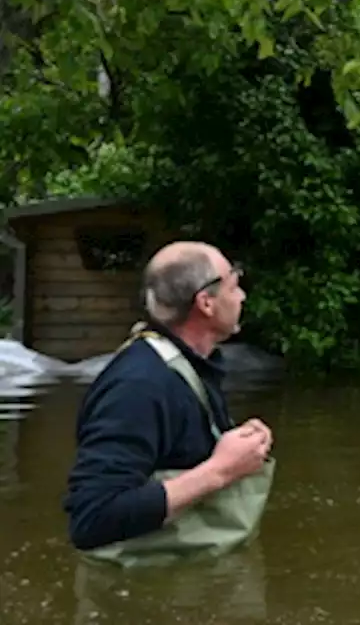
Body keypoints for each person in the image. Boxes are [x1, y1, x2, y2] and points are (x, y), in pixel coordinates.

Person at [63, 241, 276, 567]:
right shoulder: (138, 386)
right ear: (206, 303)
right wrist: (220, 470)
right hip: (133, 594)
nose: (242, 296)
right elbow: (92, 519)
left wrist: (235, 447)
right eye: (234, 285)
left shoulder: (189, 365)